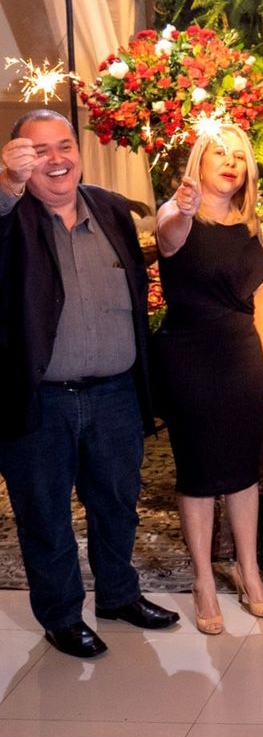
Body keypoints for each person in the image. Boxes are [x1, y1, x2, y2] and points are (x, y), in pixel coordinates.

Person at [0, 111, 179, 657]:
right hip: (39, 401)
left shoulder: (109, 207)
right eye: (40, 151)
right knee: (45, 515)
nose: (57, 160)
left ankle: (118, 595)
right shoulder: (11, 214)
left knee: (118, 504)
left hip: (115, 394)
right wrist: (6, 185)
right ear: (19, 159)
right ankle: (61, 616)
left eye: (65, 146)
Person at [153, 125, 263, 634]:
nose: (230, 162)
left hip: (241, 357)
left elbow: (261, 296)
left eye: (239, 156)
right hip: (189, 359)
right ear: (198, 163)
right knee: (199, 474)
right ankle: (203, 580)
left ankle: (249, 572)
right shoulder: (178, 214)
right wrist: (181, 207)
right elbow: (168, 230)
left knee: (245, 470)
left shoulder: (247, 225)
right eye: (219, 153)